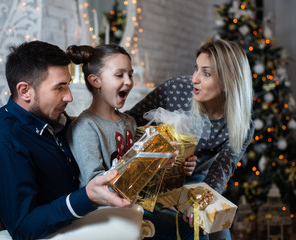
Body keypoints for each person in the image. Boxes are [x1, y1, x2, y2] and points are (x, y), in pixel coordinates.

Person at [0, 41, 135, 240]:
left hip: (94, 216)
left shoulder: (54, 120)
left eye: (68, 85)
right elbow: (23, 228)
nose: (69, 97)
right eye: (59, 88)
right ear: (24, 91)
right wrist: (86, 197)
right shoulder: (6, 139)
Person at [126, 39, 255, 240]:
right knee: (193, 232)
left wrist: (200, 206)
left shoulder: (242, 126)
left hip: (196, 181)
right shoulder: (174, 90)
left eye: (206, 73)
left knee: (220, 233)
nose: (195, 78)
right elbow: (128, 123)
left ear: (229, 80)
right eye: (196, 69)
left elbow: (220, 171)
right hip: (154, 178)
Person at [65, 44, 197, 240]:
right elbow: (98, 184)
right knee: (183, 229)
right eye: (119, 75)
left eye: (130, 74)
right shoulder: (85, 127)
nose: (128, 81)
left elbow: (143, 178)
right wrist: (146, 163)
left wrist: (167, 165)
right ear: (96, 80)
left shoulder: (129, 123)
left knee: (193, 223)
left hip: (136, 204)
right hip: (104, 210)